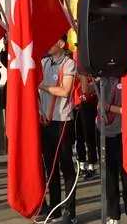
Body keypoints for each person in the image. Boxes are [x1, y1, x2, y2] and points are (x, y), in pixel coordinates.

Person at [39, 34, 77, 224]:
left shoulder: (68, 64)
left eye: (51, 41)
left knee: (66, 166)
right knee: (50, 168)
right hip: (46, 121)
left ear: (61, 43)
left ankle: (70, 212)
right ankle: (54, 209)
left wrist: (45, 87)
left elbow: (65, 90)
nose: (47, 45)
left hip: (62, 121)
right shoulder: (44, 62)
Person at [95, 75, 127, 224]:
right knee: (109, 178)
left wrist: (107, 107)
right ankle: (113, 215)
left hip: (124, 133)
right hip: (105, 133)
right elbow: (87, 90)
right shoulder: (103, 78)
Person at [73, 55, 98, 181]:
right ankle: (81, 162)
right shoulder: (73, 60)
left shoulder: (90, 60)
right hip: (77, 103)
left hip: (88, 102)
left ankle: (92, 164)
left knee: (89, 135)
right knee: (79, 135)